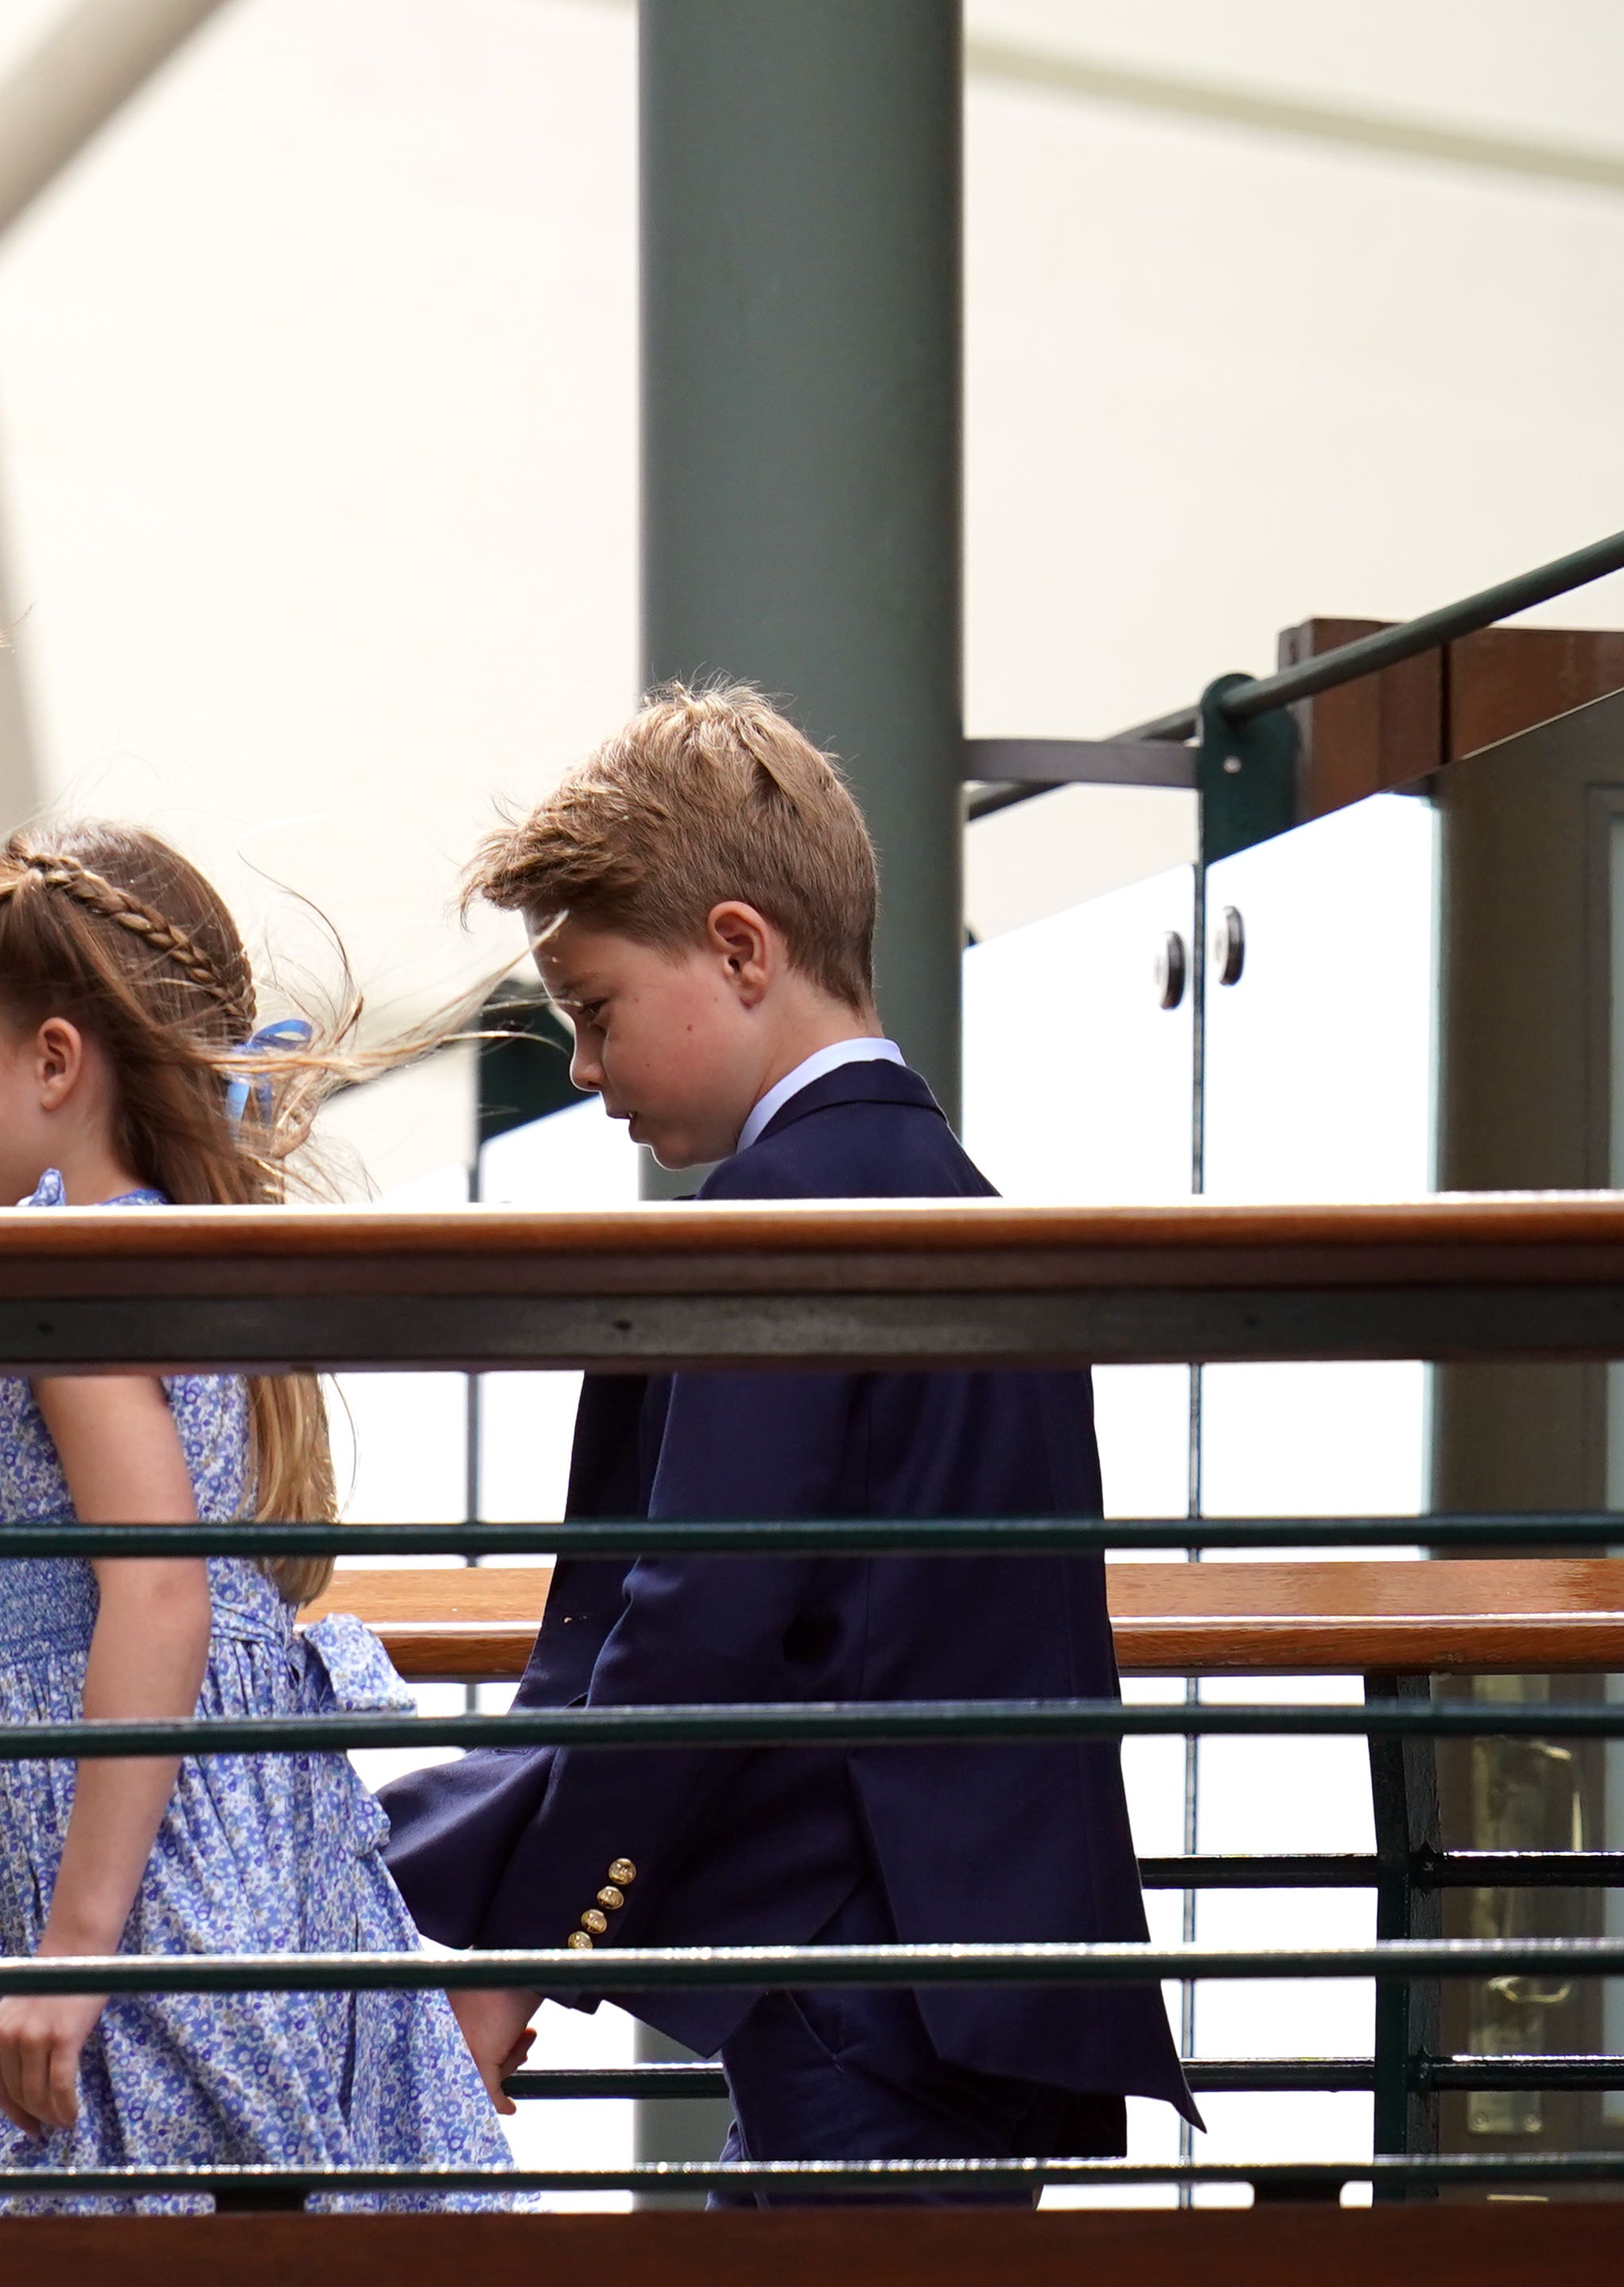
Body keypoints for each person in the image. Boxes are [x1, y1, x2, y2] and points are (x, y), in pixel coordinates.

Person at [378, 685, 1197, 2203]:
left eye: (595, 1009)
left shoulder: (773, 1221)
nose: (580, 1067)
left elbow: (694, 1620)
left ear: (742, 950)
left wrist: (519, 1957)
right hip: (997, 1985)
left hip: (851, 1993)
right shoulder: (971, 1205)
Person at [0, 825, 517, 2215]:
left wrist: (72, 1957)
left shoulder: (68, 1261)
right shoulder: (182, 1244)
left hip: (152, 1882)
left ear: (57, 1061)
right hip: (229, 1848)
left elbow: (160, 1592)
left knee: (159, 2195)